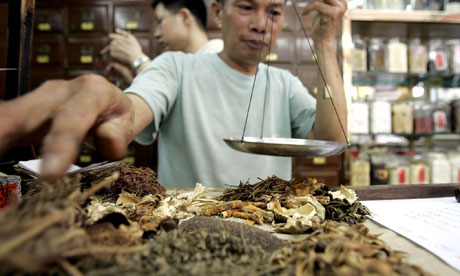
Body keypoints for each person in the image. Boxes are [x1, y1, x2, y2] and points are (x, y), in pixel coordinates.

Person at [0, 0, 347, 188]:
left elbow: (331, 138)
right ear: (216, 11)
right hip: (188, 231)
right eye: (245, 7)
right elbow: (134, 109)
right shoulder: (176, 68)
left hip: (272, 228)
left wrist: (325, 42)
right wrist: (115, 113)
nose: (260, 23)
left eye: (272, 11)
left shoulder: (284, 84)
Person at [105, 0, 224, 84]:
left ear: (184, 17)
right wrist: (131, 80)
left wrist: (137, 59)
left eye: (160, 21)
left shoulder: (216, 53)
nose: (156, 33)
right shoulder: (184, 64)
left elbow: (184, 95)